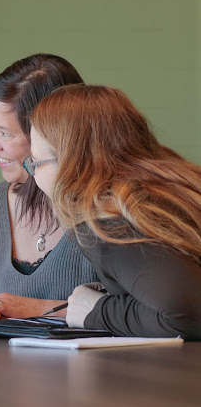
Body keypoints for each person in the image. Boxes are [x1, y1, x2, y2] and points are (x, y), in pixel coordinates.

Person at [29, 85, 201, 339]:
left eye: (35, 162)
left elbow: (187, 318)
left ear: (70, 163)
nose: (32, 173)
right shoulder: (178, 183)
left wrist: (95, 311)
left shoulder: (107, 217)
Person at [0, 54, 98, 321]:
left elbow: (136, 311)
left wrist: (33, 309)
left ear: (50, 135)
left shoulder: (107, 207)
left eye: (5, 133)